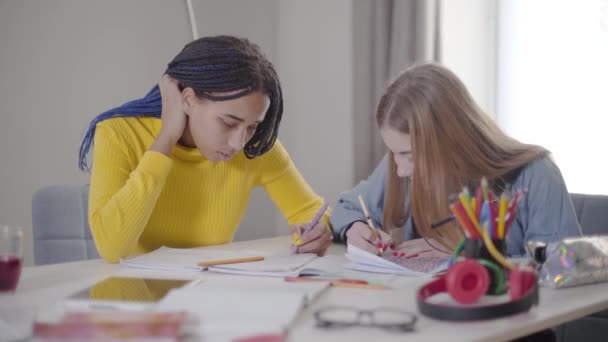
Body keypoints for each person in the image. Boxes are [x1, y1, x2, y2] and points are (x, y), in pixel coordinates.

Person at [79, 36, 332, 263]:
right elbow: (112, 249)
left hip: (213, 296)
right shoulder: (119, 133)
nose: (238, 143)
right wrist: (167, 137)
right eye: (229, 123)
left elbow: (311, 209)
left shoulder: (256, 149)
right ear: (187, 100)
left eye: (253, 126)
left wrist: (318, 229)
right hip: (137, 300)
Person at [331, 63, 581, 257]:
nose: (400, 170)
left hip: (510, 320)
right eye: (394, 152)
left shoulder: (536, 175)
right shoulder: (405, 165)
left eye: (408, 155)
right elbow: (347, 207)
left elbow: (562, 266)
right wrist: (355, 229)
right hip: (425, 315)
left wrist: (466, 254)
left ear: (452, 141)